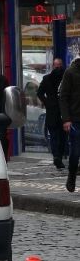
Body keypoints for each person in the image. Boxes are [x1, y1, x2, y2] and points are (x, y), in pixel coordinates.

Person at [37, 58, 66, 169]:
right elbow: (39, 93)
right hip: (53, 111)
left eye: (59, 65)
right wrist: (47, 103)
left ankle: (58, 156)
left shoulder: (66, 78)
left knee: (62, 136)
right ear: (53, 66)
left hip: (63, 112)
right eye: (56, 65)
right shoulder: (48, 78)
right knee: (54, 135)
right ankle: (57, 157)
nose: (58, 67)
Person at [60, 55, 80, 192]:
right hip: (76, 119)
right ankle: (72, 175)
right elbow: (63, 96)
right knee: (75, 153)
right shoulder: (71, 72)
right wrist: (66, 119)